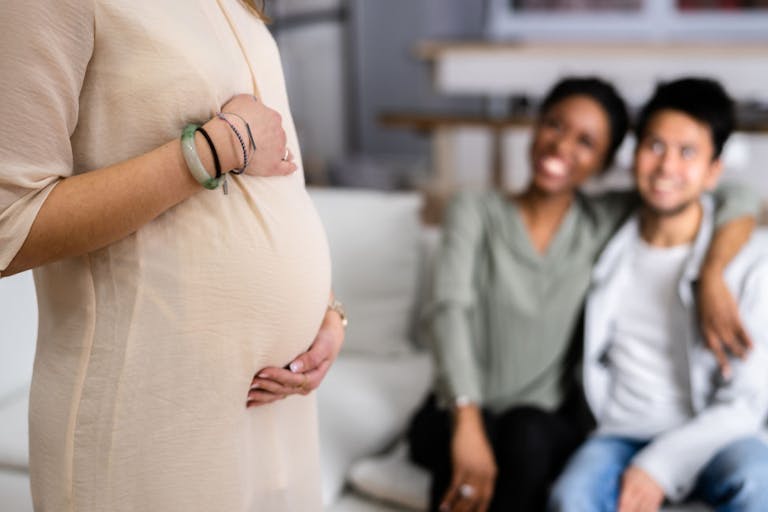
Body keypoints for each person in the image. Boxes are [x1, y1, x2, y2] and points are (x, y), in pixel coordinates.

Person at [0, 1, 344, 511]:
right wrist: (215, 147)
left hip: (277, 410)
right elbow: (10, 224)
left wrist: (325, 311)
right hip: (151, 417)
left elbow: (277, 175)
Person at [407, 76, 760, 512]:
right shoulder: (485, 211)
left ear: (605, 162)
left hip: (550, 421)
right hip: (484, 410)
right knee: (519, 471)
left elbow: (736, 195)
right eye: (554, 125)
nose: (561, 147)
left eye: (586, 142)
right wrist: (466, 418)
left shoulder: (603, 222)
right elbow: (448, 312)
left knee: (527, 434)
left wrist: (712, 272)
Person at [548, 77, 768, 512]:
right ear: (634, 154)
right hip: (619, 431)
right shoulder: (605, 235)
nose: (666, 167)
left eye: (687, 152)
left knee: (757, 482)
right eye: (654, 146)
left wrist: (659, 466)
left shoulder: (750, 261)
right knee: (569, 498)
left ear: (713, 171)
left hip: (716, 432)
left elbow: (747, 403)